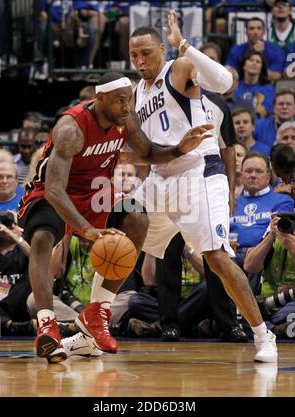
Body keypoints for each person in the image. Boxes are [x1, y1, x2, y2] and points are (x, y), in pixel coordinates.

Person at [18, 70, 212, 363]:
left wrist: (179, 149)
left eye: (129, 100)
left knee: (137, 219)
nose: (126, 106)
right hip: (54, 192)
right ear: (100, 99)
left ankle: (97, 313)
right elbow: (55, 191)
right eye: (120, 101)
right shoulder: (71, 127)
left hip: (96, 194)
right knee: (43, 237)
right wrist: (86, 230)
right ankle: (47, 326)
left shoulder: (126, 119)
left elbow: (146, 152)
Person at [129, 10, 278, 362]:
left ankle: (262, 334)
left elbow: (225, 81)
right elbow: (144, 151)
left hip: (197, 173)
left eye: (146, 53)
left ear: (162, 49)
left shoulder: (178, 69)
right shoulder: (137, 91)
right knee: (119, 233)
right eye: (133, 55)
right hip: (159, 179)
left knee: (215, 257)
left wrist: (185, 46)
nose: (139, 61)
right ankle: (93, 327)